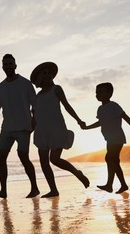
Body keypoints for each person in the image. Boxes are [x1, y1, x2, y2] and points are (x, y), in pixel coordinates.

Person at [0, 54, 39, 199]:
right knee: (0, 157)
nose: (8, 66)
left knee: (23, 156)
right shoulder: (0, 87)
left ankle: (35, 188)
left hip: (24, 127)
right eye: (5, 64)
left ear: (15, 65)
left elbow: (35, 105)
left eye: (10, 64)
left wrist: (34, 122)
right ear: (2, 67)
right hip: (7, 128)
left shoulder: (25, 83)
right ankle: (3, 190)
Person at [30, 61, 90, 198]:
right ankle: (53, 190)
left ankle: (77, 173)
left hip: (56, 128)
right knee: (44, 161)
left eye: (49, 73)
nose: (48, 75)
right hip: (42, 131)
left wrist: (79, 120)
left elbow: (67, 106)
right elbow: (34, 115)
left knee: (55, 159)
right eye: (44, 73)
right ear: (39, 78)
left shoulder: (56, 89)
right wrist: (29, 130)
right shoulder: (37, 97)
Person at [81, 82, 130, 194]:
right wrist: (87, 127)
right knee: (114, 161)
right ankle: (122, 185)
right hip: (109, 138)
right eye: (96, 93)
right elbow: (100, 122)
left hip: (117, 137)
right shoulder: (100, 109)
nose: (97, 94)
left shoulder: (114, 106)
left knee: (110, 158)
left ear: (109, 94)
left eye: (100, 92)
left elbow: (125, 117)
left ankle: (110, 185)